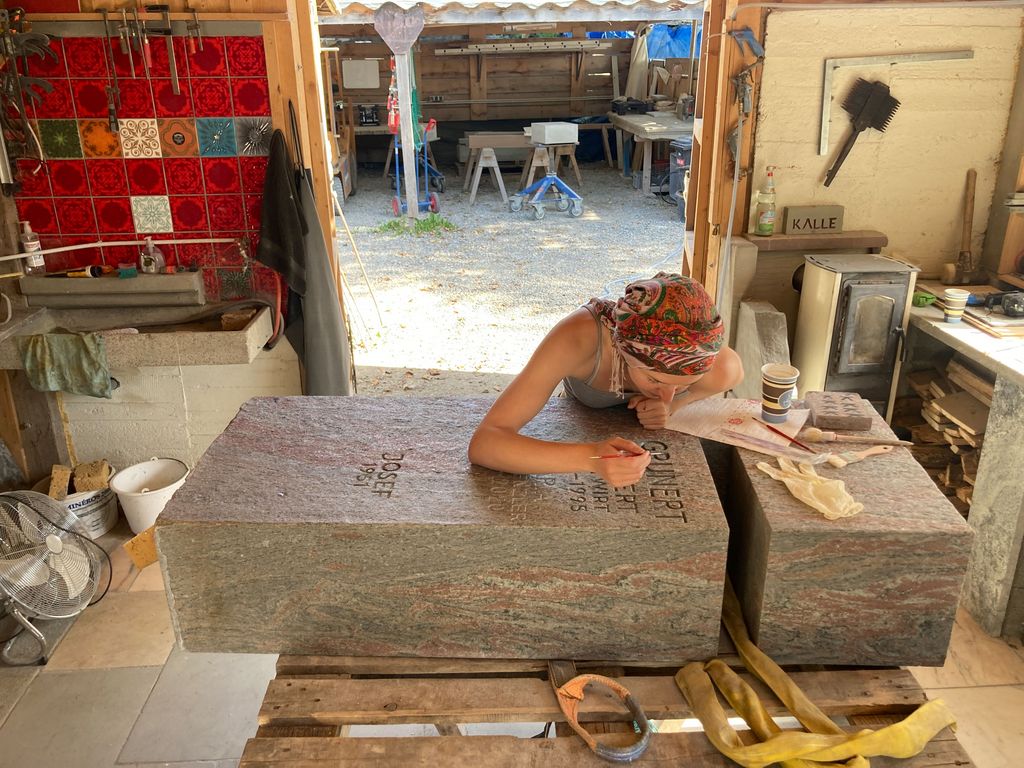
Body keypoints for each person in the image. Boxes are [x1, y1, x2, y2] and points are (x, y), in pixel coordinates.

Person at [468, 272, 743, 489]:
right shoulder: (577, 338)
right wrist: (591, 458)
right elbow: (486, 443)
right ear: (623, 349)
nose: (666, 395)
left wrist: (675, 405)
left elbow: (733, 373)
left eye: (682, 385)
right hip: (580, 412)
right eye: (655, 380)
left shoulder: (700, 352)